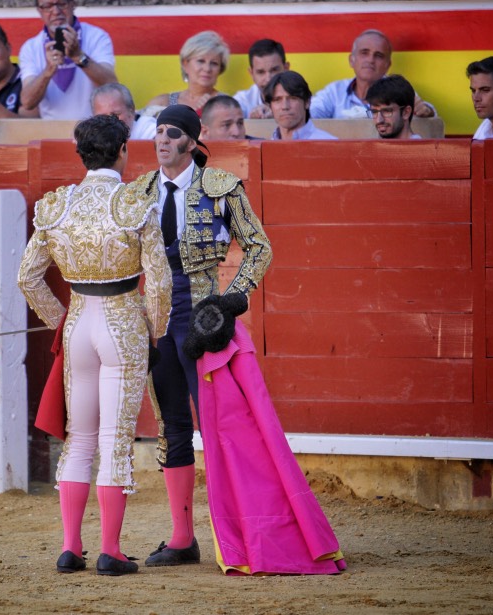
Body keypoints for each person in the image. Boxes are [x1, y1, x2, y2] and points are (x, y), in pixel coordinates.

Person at [17, 114, 172, 576]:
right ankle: (111, 551)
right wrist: (155, 330)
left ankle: (70, 548)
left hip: (79, 325)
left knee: (80, 437)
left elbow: (28, 278)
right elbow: (159, 282)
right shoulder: (135, 203)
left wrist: (60, 321)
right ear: (123, 150)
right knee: (114, 439)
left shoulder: (56, 205)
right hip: (122, 322)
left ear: (80, 153)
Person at [131, 105, 272, 567]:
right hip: (158, 318)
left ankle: (242, 532)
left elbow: (259, 247)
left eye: (172, 133)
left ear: (193, 140)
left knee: (220, 425)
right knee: (171, 424)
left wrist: (231, 301)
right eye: (158, 131)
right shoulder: (138, 192)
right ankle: (181, 538)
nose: (162, 139)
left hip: (203, 318)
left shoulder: (221, 187)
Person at [19, 0, 117, 120]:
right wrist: (47, 71)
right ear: (39, 11)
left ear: (73, 4)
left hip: (95, 126)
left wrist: (78, 56)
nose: (56, 11)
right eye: (48, 6)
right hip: (52, 129)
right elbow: (27, 102)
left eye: (61, 3)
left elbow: (112, 85)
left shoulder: (97, 36)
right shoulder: (30, 48)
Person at [310, 30, 435, 120]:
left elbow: (425, 112)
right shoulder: (334, 91)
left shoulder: (399, 90)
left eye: (379, 55)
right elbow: (310, 114)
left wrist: (426, 111)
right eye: (364, 53)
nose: (370, 60)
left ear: (387, 65)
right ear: (351, 60)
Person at [146, 31, 229, 115]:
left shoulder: (228, 105)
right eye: (201, 61)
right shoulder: (162, 103)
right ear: (185, 64)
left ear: (220, 69)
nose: (207, 69)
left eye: (214, 63)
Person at [266, 70, 337, 140]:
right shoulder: (264, 146)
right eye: (277, 100)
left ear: (307, 102)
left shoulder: (330, 144)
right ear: (270, 106)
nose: (285, 106)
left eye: (292, 98)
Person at [233, 38, 289, 119]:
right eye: (261, 72)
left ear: (286, 69)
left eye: (274, 70)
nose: (268, 79)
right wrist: (251, 121)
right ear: (251, 73)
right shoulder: (242, 101)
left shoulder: (300, 98)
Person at [90, 82, 156, 139]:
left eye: (115, 115)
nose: (109, 122)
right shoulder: (89, 136)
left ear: (131, 111)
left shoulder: (150, 132)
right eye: (102, 117)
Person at [365, 74, 421, 139]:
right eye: (374, 112)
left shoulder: (422, 145)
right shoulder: (371, 145)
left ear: (406, 112)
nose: (379, 120)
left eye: (387, 111)